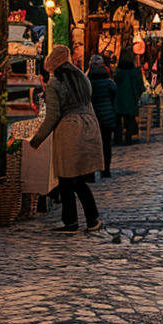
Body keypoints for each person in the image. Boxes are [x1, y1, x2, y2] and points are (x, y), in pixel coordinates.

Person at [29, 46, 104, 233]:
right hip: (89, 125)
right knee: (78, 179)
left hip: (69, 129)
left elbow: (53, 116)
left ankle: (71, 222)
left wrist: (36, 140)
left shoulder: (55, 83)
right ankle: (92, 219)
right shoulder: (82, 77)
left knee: (66, 179)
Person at [87, 54, 117, 178]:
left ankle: (91, 172)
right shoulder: (107, 81)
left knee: (93, 146)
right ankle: (106, 170)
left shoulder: (88, 81)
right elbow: (115, 91)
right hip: (107, 116)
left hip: (93, 117)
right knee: (106, 145)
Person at [113, 49, 145, 144]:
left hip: (118, 99)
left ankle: (118, 138)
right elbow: (140, 86)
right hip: (131, 98)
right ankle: (128, 137)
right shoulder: (135, 72)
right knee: (129, 119)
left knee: (118, 120)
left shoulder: (118, 72)